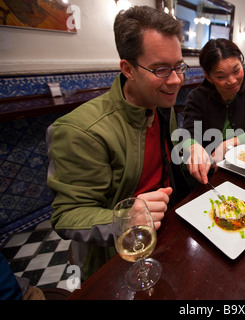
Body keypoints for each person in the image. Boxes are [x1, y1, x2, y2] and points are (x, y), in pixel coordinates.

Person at [46, 6, 190, 280]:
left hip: (167, 229)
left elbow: (165, 157)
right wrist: (125, 218)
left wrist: (189, 144)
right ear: (127, 68)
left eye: (178, 66)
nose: (176, 80)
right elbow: (67, 215)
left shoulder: (162, 104)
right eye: (161, 69)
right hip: (115, 254)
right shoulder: (82, 131)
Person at [182, 38, 245, 184]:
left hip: (238, 166)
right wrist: (193, 147)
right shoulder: (197, 98)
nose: (233, 81)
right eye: (221, 76)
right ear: (208, 77)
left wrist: (227, 144)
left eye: (236, 71)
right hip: (207, 173)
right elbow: (186, 136)